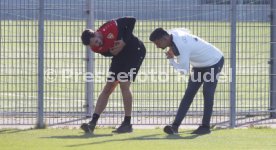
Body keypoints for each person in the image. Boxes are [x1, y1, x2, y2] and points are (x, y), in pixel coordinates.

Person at [149, 28, 224, 135]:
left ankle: (205, 127)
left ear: (165, 38)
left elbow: (183, 70)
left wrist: (171, 59)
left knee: (207, 92)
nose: (157, 46)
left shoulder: (181, 46)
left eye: (157, 43)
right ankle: (174, 127)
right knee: (189, 94)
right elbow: (184, 30)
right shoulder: (172, 34)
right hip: (199, 65)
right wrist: (171, 47)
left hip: (214, 61)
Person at [80, 17, 146, 134]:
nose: (97, 44)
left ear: (96, 33)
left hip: (134, 50)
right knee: (108, 87)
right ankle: (92, 123)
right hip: (120, 55)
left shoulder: (110, 26)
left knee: (124, 84)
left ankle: (127, 123)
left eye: (96, 41)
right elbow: (106, 52)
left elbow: (132, 20)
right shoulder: (94, 47)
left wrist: (123, 42)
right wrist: (111, 53)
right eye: (93, 44)